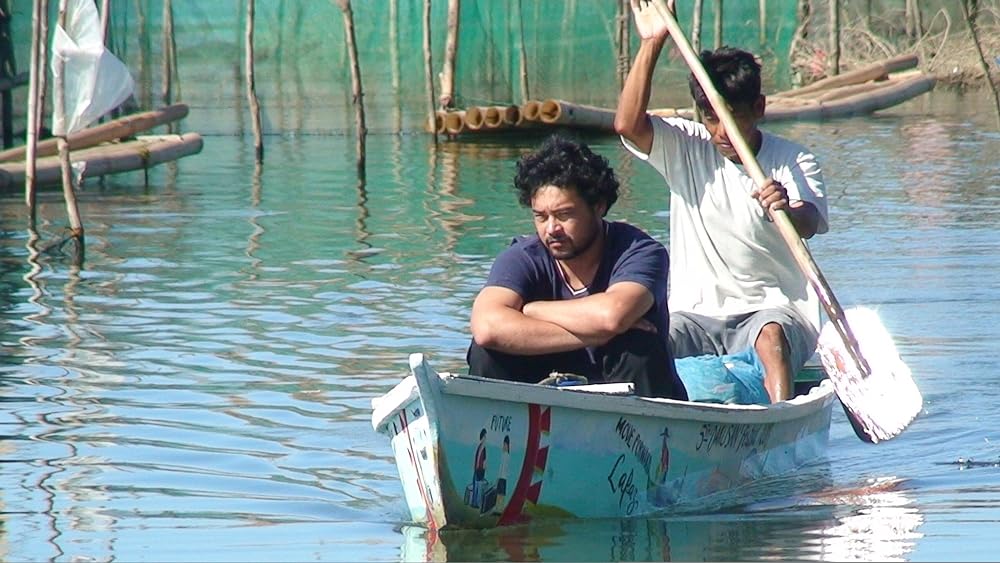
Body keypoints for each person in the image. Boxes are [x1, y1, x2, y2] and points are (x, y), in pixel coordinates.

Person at [613, 0, 828, 403]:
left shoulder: (793, 160)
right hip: (696, 314)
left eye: (734, 117)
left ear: (759, 109)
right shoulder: (687, 146)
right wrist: (652, 43)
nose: (722, 132)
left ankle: (776, 421)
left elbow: (810, 220)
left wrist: (786, 209)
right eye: (712, 119)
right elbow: (627, 124)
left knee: (771, 339)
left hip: (773, 311)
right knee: (645, 341)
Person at [467, 135, 688, 400]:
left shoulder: (639, 251)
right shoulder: (523, 257)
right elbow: (487, 327)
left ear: (598, 207)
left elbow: (611, 316)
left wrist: (532, 310)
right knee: (488, 350)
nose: (551, 229)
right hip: (546, 393)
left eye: (564, 215)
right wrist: (596, 333)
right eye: (541, 217)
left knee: (637, 345)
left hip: (633, 400)